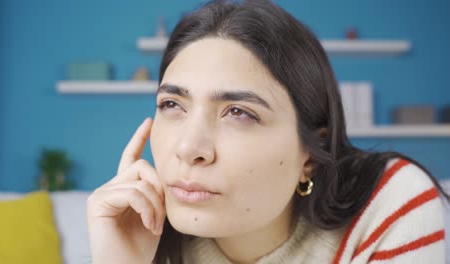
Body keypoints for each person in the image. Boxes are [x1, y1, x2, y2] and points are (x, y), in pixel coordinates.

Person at [86, 0, 449, 263]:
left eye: (239, 113)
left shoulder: (389, 205)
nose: (188, 148)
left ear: (310, 151)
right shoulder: (137, 234)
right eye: (172, 105)